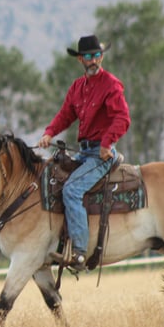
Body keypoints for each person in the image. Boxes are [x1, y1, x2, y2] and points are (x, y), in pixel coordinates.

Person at [38, 34, 131, 270]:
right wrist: (49, 133)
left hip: (101, 154)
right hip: (84, 152)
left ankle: (79, 251)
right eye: (89, 56)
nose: (94, 60)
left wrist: (106, 143)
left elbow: (122, 118)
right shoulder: (77, 87)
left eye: (97, 55)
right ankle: (57, 241)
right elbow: (65, 115)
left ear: (101, 57)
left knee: (71, 190)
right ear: (80, 59)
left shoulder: (111, 85)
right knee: (51, 180)